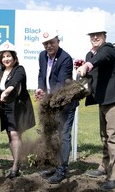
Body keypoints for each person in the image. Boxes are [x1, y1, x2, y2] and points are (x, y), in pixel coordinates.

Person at [77, 26, 115, 190]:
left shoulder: (108, 49)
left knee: (114, 138)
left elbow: (101, 58)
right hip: (102, 101)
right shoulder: (89, 55)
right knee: (104, 136)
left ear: (104, 36)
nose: (95, 37)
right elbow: (91, 78)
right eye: (92, 35)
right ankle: (104, 167)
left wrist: (87, 64)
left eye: (98, 34)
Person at [35, 30, 78, 184]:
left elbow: (60, 85)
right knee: (53, 136)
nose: (49, 46)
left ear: (58, 41)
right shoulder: (42, 56)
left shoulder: (65, 59)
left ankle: (62, 169)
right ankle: (54, 165)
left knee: (64, 136)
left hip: (65, 104)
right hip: (51, 104)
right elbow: (41, 74)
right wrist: (40, 89)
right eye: (46, 43)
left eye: (52, 42)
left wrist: (47, 99)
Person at [0, 40, 36, 179]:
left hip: (17, 107)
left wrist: (7, 91)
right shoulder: (0, 73)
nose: (6, 59)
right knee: (10, 135)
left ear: (14, 57)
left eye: (9, 56)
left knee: (15, 135)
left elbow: (15, 82)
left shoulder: (19, 69)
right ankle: (17, 162)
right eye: (3, 56)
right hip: (5, 107)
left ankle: (15, 167)